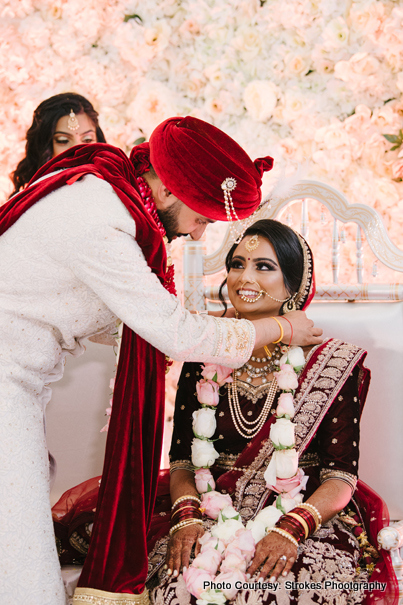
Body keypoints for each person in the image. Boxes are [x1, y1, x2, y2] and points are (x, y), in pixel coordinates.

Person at [0, 117, 322, 605]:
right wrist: (280, 328)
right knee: (22, 555)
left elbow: (126, 319)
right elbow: (177, 335)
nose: (197, 236)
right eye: (204, 218)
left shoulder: (112, 197)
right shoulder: (99, 219)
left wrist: (189, 326)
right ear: (173, 189)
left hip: (17, 383)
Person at [141, 220, 396, 604]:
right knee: (181, 588)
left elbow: (341, 477)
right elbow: (181, 461)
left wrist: (290, 529)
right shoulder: (204, 354)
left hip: (302, 517)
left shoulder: (332, 363)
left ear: (293, 285)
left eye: (264, 266)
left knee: (269, 592)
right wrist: (188, 517)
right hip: (211, 512)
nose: (244, 277)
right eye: (237, 263)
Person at [10, 92, 106, 195]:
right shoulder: (30, 201)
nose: (77, 149)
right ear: (44, 148)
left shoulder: (111, 188)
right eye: (63, 141)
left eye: (87, 140)